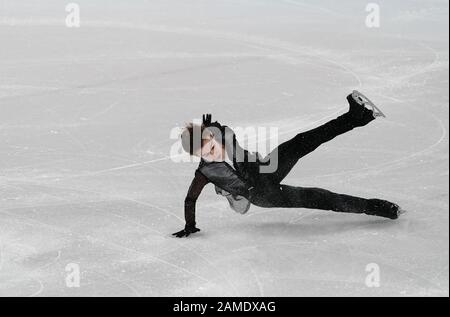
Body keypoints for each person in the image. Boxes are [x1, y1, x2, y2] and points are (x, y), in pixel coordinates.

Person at [173, 92, 404, 238]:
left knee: (303, 141)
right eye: (207, 151)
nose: (214, 150)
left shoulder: (219, 137)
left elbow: (226, 136)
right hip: (264, 194)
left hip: (266, 168)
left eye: (212, 143)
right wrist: (189, 225)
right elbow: (190, 199)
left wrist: (214, 128)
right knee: (322, 198)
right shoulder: (204, 173)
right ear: (197, 155)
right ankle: (382, 208)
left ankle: (358, 117)